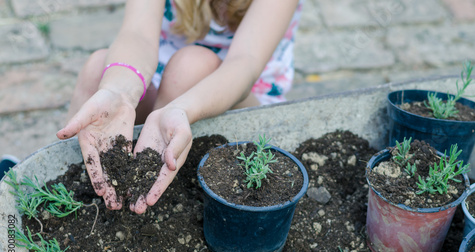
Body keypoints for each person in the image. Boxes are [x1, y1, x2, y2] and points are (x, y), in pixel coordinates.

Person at [56, 0, 303, 214]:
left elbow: (244, 64)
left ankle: (157, 203)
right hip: (158, 74)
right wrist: (117, 91)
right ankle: (61, 194)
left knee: (190, 66)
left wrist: (181, 108)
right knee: (98, 70)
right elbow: (137, 35)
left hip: (233, 91)